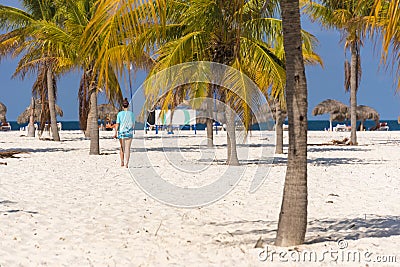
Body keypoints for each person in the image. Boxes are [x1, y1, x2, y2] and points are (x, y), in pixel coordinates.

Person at [114, 98, 135, 168]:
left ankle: (122, 162)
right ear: (128, 106)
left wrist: (115, 133)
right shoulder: (132, 114)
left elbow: (117, 124)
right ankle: (127, 164)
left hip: (121, 133)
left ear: (122, 106)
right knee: (128, 148)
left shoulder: (119, 114)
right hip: (129, 133)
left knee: (122, 148)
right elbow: (133, 125)